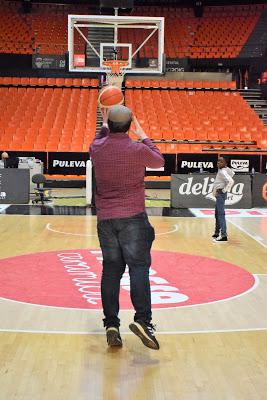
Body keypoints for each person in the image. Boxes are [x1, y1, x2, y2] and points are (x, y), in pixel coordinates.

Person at [90, 105, 165, 350]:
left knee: (111, 271)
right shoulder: (137, 149)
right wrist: (143, 134)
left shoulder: (97, 148)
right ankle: (143, 320)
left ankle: (111, 324)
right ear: (130, 124)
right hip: (133, 217)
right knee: (139, 268)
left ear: (108, 125)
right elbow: (159, 161)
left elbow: (100, 138)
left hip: (106, 220)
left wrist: (104, 123)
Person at [212, 157, 235, 242]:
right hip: (220, 194)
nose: (218, 163)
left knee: (221, 215)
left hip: (221, 194)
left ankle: (224, 235)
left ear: (225, 163)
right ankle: (217, 232)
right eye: (218, 161)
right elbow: (233, 173)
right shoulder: (224, 169)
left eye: (221, 162)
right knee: (217, 214)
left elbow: (231, 181)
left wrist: (225, 189)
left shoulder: (222, 171)